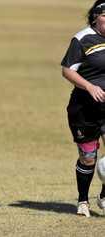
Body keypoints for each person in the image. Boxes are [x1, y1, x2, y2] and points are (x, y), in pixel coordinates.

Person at [61, 0, 105, 217]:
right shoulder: (82, 39)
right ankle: (83, 200)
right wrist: (89, 86)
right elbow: (67, 70)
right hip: (84, 109)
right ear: (96, 16)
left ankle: (104, 195)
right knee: (88, 157)